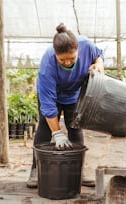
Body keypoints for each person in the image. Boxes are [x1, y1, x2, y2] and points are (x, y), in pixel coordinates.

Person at [26, 23, 104, 188]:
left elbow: (98, 55)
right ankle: (36, 170)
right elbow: (48, 106)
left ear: (78, 50)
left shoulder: (87, 45)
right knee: (45, 129)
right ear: (55, 55)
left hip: (74, 94)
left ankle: (79, 170)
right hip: (52, 95)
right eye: (62, 60)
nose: (67, 62)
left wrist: (99, 63)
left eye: (72, 58)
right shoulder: (47, 65)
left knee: (75, 127)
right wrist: (57, 133)